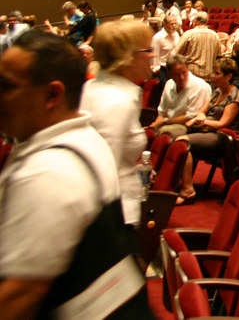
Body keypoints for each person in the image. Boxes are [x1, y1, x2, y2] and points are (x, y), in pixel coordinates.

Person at [0, 31, 151, 319]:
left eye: (7, 87)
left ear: (52, 95)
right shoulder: (82, 136)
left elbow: (20, 296)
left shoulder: (48, 171)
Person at [80, 20, 152, 226]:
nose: (153, 55)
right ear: (128, 57)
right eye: (147, 49)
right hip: (112, 215)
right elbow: (101, 170)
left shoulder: (94, 87)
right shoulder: (116, 101)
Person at [174, 57, 239, 205]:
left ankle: (188, 191)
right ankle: (172, 184)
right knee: (171, 137)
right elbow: (202, 111)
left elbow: (222, 123)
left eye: (216, 73)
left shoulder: (236, 97)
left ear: (228, 76)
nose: (212, 75)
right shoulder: (217, 92)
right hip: (205, 131)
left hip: (221, 137)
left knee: (182, 142)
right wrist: (199, 118)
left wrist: (202, 121)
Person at [150, 56, 212, 138]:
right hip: (169, 122)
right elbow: (162, 113)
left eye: (184, 73)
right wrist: (154, 126)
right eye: (177, 74)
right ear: (169, 74)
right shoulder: (169, 84)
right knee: (149, 133)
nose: (181, 77)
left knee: (162, 133)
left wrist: (165, 121)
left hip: (189, 125)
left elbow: (190, 117)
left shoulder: (198, 86)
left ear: (188, 69)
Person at [173, 11, 221, 81]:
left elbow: (176, 54)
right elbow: (218, 54)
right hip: (209, 76)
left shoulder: (188, 34)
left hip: (192, 76)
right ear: (206, 22)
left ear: (195, 21)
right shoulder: (215, 35)